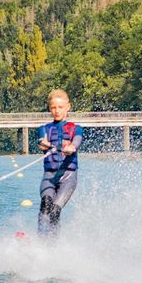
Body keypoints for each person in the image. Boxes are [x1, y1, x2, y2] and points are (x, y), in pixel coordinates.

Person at [35, 88, 82, 234]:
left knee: (55, 210)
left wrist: (72, 147)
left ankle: (53, 242)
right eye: (53, 107)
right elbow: (42, 142)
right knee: (45, 204)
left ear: (68, 107)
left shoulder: (76, 128)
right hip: (49, 177)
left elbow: (77, 141)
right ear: (49, 109)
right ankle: (41, 238)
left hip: (68, 176)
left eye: (60, 107)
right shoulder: (44, 129)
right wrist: (44, 144)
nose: (57, 111)